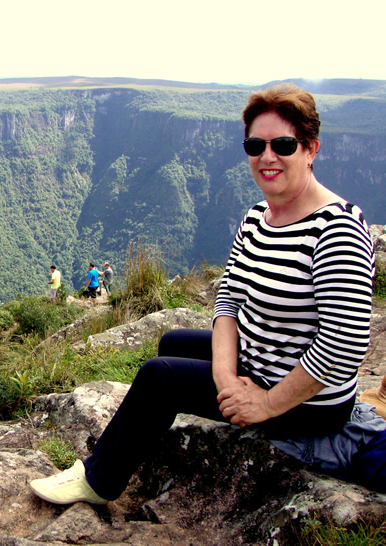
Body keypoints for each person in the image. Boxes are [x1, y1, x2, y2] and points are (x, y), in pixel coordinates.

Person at [30, 83, 375, 505]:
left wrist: (265, 404)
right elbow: (228, 300)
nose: (267, 156)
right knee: (173, 342)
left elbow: (344, 345)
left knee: (160, 376)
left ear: (311, 149)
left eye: (283, 145)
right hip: (258, 361)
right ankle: (152, 433)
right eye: (255, 145)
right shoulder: (258, 217)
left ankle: (98, 480)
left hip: (309, 402)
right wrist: (227, 380)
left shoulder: (337, 229)